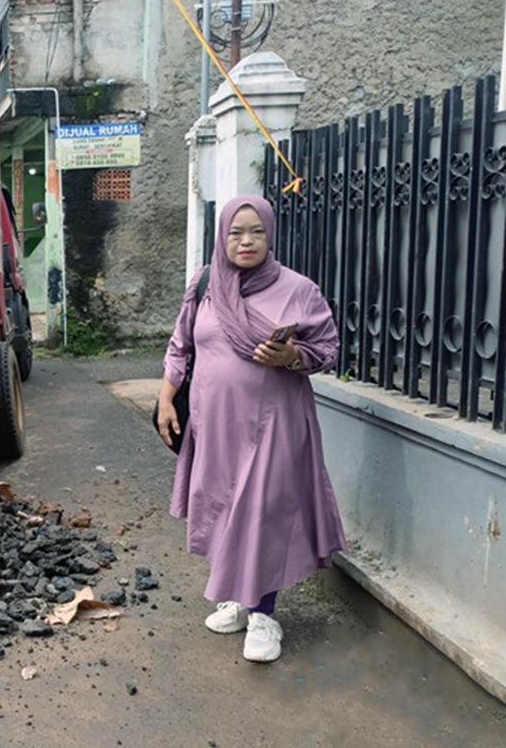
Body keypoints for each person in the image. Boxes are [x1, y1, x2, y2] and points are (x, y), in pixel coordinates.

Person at [156, 195, 346, 663]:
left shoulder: (298, 290)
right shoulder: (205, 285)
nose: (246, 241)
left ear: (270, 235)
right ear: (222, 236)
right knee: (223, 507)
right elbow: (181, 345)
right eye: (236, 232)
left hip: (275, 424)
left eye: (256, 232)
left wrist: (291, 356)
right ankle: (239, 602)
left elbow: (328, 348)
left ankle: (264, 614)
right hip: (215, 424)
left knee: (262, 511)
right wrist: (165, 398)